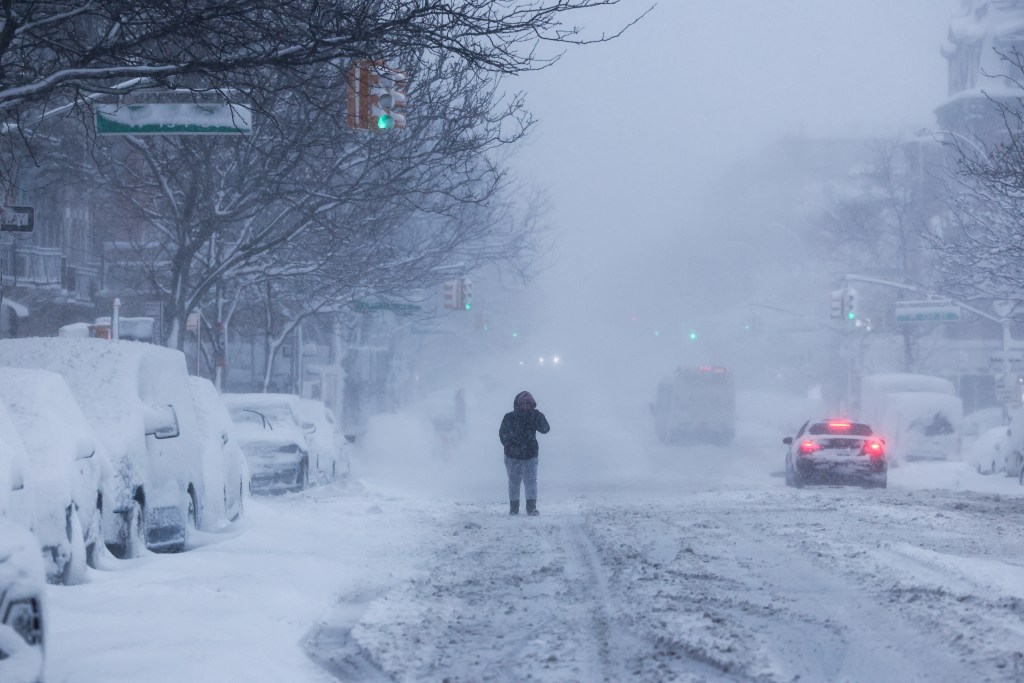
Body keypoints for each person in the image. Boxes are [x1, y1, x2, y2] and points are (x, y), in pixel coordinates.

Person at [498, 390, 550, 516]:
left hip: (530, 456)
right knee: (514, 482)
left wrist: (538, 415)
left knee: (530, 482)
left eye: (529, 403)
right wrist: (509, 446)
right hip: (512, 456)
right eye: (523, 403)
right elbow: (502, 434)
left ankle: (531, 508)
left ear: (533, 404)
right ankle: (514, 508)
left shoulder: (535, 416)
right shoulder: (509, 417)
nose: (526, 406)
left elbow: (546, 429)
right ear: (518, 404)